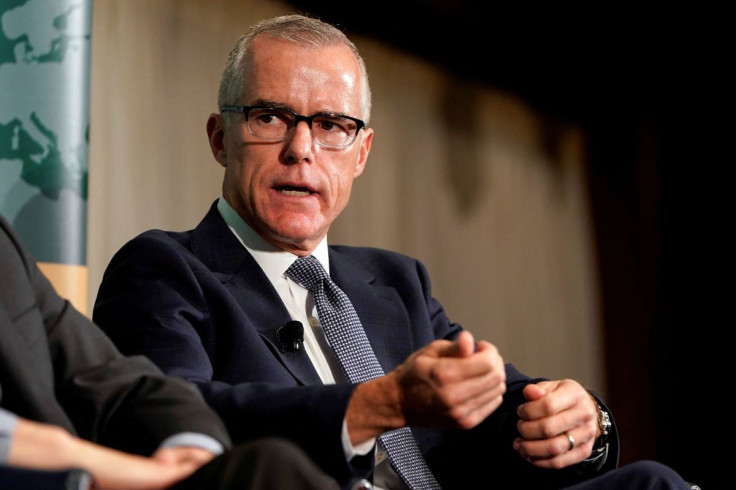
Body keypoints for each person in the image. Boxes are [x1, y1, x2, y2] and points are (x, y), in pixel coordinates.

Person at [92, 14, 696, 490]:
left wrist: (575, 420)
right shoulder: (164, 271)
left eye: (332, 125)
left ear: (361, 153)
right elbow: (168, 419)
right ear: (222, 139)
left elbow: (494, 409)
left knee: (652, 482)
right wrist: (375, 405)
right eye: (270, 116)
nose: (302, 149)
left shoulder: (395, 281)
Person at [0, 213, 339, 490]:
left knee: (267, 467)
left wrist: (189, 445)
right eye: (268, 123)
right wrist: (78, 459)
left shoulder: (4, 250)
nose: (302, 151)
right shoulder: (160, 264)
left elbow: (115, 380)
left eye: (331, 125)